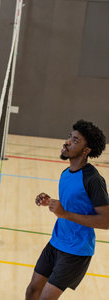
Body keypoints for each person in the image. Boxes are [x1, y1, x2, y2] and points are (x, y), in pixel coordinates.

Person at [25, 120, 109, 300]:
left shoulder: (93, 180)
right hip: (56, 242)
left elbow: (106, 221)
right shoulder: (66, 173)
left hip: (76, 251)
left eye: (75, 141)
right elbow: (72, 205)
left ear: (86, 151)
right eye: (70, 137)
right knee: (32, 290)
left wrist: (64, 214)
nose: (67, 142)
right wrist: (48, 202)